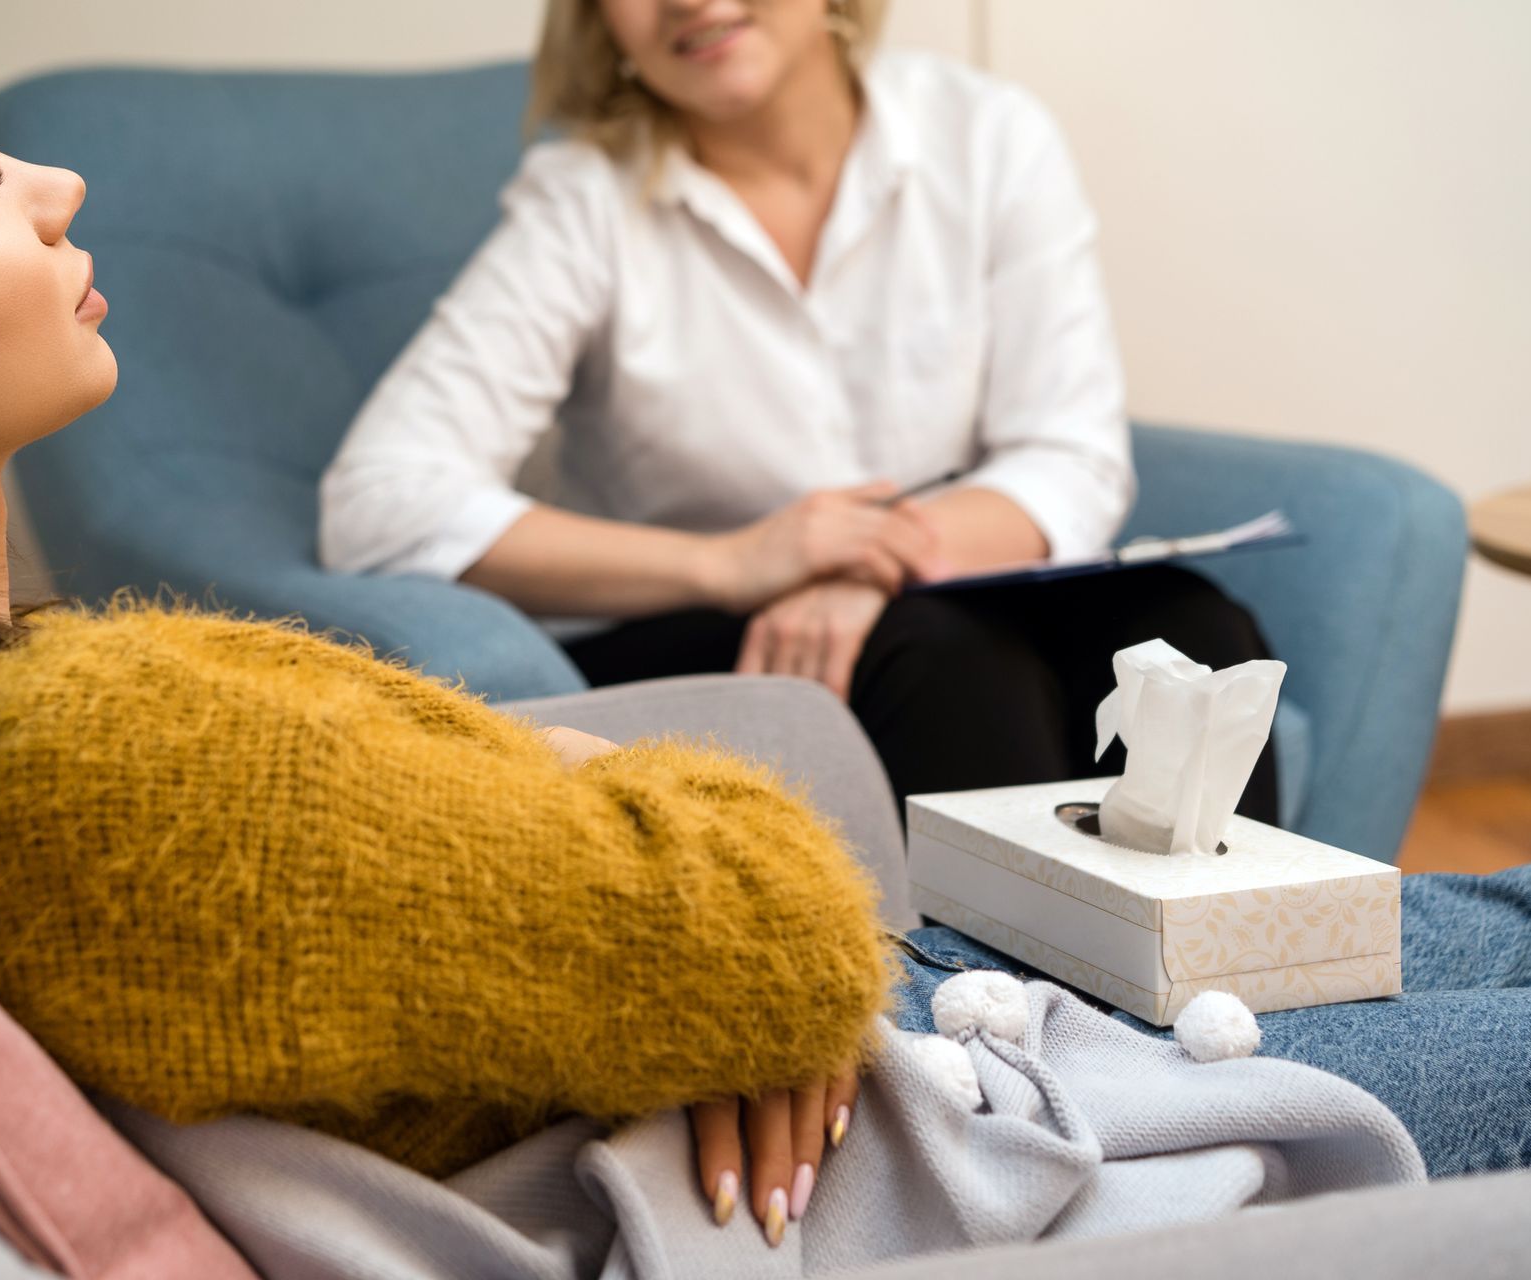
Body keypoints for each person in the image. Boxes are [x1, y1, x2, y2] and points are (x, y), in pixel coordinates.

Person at [0, 0, 1531, 1263]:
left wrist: (605, 808)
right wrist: (673, 694)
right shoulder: (115, 763)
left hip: (933, 1006)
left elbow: (1063, 455)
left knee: (1220, 689)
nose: (58, 185)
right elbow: (765, 937)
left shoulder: (50, 720)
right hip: (979, 1093)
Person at [319, 0, 1280, 819]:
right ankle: (988, 1031)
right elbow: (379, 500)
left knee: (1188, 635)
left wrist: (866, 566)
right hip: (705, 628)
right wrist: (737, 562)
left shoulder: (987, 136)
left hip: (941, 583)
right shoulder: (584, 203)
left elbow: (1069, 453)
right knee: (944, 657)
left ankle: (1250, 1013)